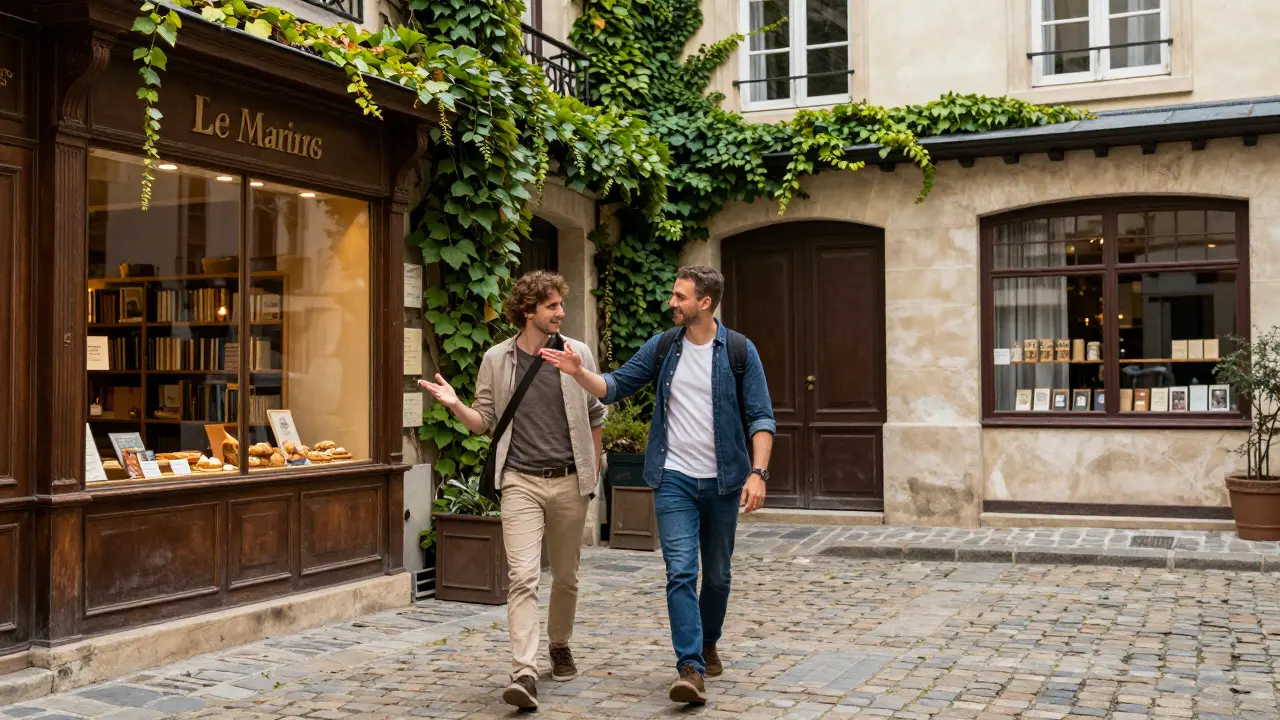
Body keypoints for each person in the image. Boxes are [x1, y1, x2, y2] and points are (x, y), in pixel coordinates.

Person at [541, 265, 775, 706]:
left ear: (704, 303)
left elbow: (762, 417)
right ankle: (690, 666)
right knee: (681, 570)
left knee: (719, 576)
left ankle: (708, 642)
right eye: (673, 294)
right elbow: (613, 387)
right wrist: (577, 372)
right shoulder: (665, 347)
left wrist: (757, 473)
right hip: (673, 480)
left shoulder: (740, 352)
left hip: (724, 482)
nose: (672, 302)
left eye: (680, 296)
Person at [418, 270, 605, 710]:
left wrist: (592, 472)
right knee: (521, 577)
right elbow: (484, 422)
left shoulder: (577, 353)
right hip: (519, 480)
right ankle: (523, 669)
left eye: (561, 304)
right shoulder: (496, 360)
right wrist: (454, 405)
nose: (561, 312)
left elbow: (596, 414)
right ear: (528, 311)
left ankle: (559, 643)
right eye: (552, 306)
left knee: (565, 577)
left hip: (568, 480)